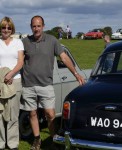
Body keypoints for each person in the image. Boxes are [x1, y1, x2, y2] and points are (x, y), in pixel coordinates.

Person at [21, 15, 85, 150]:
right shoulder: (24, 42)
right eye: (34, 26)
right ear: (31, 27)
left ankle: (53, 138)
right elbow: (15, 58)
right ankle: (37, 139)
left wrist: (76, 73)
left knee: (50, 114)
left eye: (39, 26)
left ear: (43, 26)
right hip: (28, 84)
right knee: (32, 113)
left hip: (46, 84)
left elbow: (64, 57)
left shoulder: (52, 40)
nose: (36, 29)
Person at [0, 16, 24, 150]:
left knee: (13, 115)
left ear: (12, 29)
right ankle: (1, 143)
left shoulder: (18, 42)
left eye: (9, 27)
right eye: (3, 27)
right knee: (0, 115)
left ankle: (13, 144)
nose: (6, 30)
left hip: (15, 81)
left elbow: (20, 62)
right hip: (0, 83)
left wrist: (10, 74)